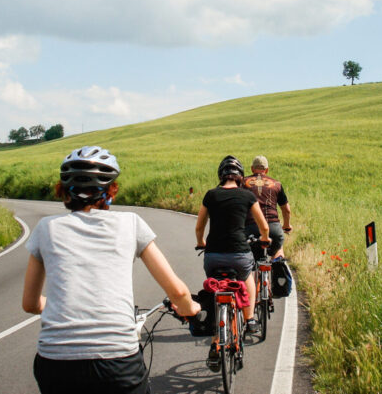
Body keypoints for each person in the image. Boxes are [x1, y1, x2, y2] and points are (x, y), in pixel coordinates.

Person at [22, 146, 200, 394]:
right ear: (111, 191)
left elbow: (30, 304)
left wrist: (57, 305)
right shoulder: (131, 223)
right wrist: (192, 309)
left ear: (64, 192)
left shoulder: (45, 228)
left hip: (55, 364)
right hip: (116, 362)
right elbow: (178, 292)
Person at [195, 155, 270, 366]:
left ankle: (215, 341)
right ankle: (250, 319)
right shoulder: (247, 196)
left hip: (213, 256)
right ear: (240, 177)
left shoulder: (211, 195)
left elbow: (199, 226)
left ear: (221, 176)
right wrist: (265, 238)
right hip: (239, 253)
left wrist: (201, 243)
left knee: (216, 288)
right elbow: (263, 226)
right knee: (248, 273)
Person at [242, 155, 292, 260]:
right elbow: (286, 210)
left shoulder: (243, 183)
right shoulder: (277, 184)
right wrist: (286, 226)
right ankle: (278, 261)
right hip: (273, 227)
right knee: (278, 247)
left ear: (252, 168)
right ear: (267, 170)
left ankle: (249, 273)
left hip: (251, 227)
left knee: (247, 259)